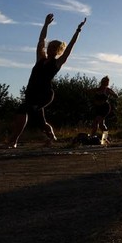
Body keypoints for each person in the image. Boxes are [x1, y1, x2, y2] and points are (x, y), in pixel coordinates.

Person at [8, 14, 86, 148]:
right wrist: (45, 25)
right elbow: (41, 40)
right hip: (31, 92)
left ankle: (13, 141)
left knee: (23, 111)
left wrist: (77, 30)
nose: (51, 49)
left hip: (44, 94)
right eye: (50, 47)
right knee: (40, 121)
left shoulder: (57, 63)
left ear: (58, 51)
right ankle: (52, 137)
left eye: (55, 48)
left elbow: (70, 47)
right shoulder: (40, 59)